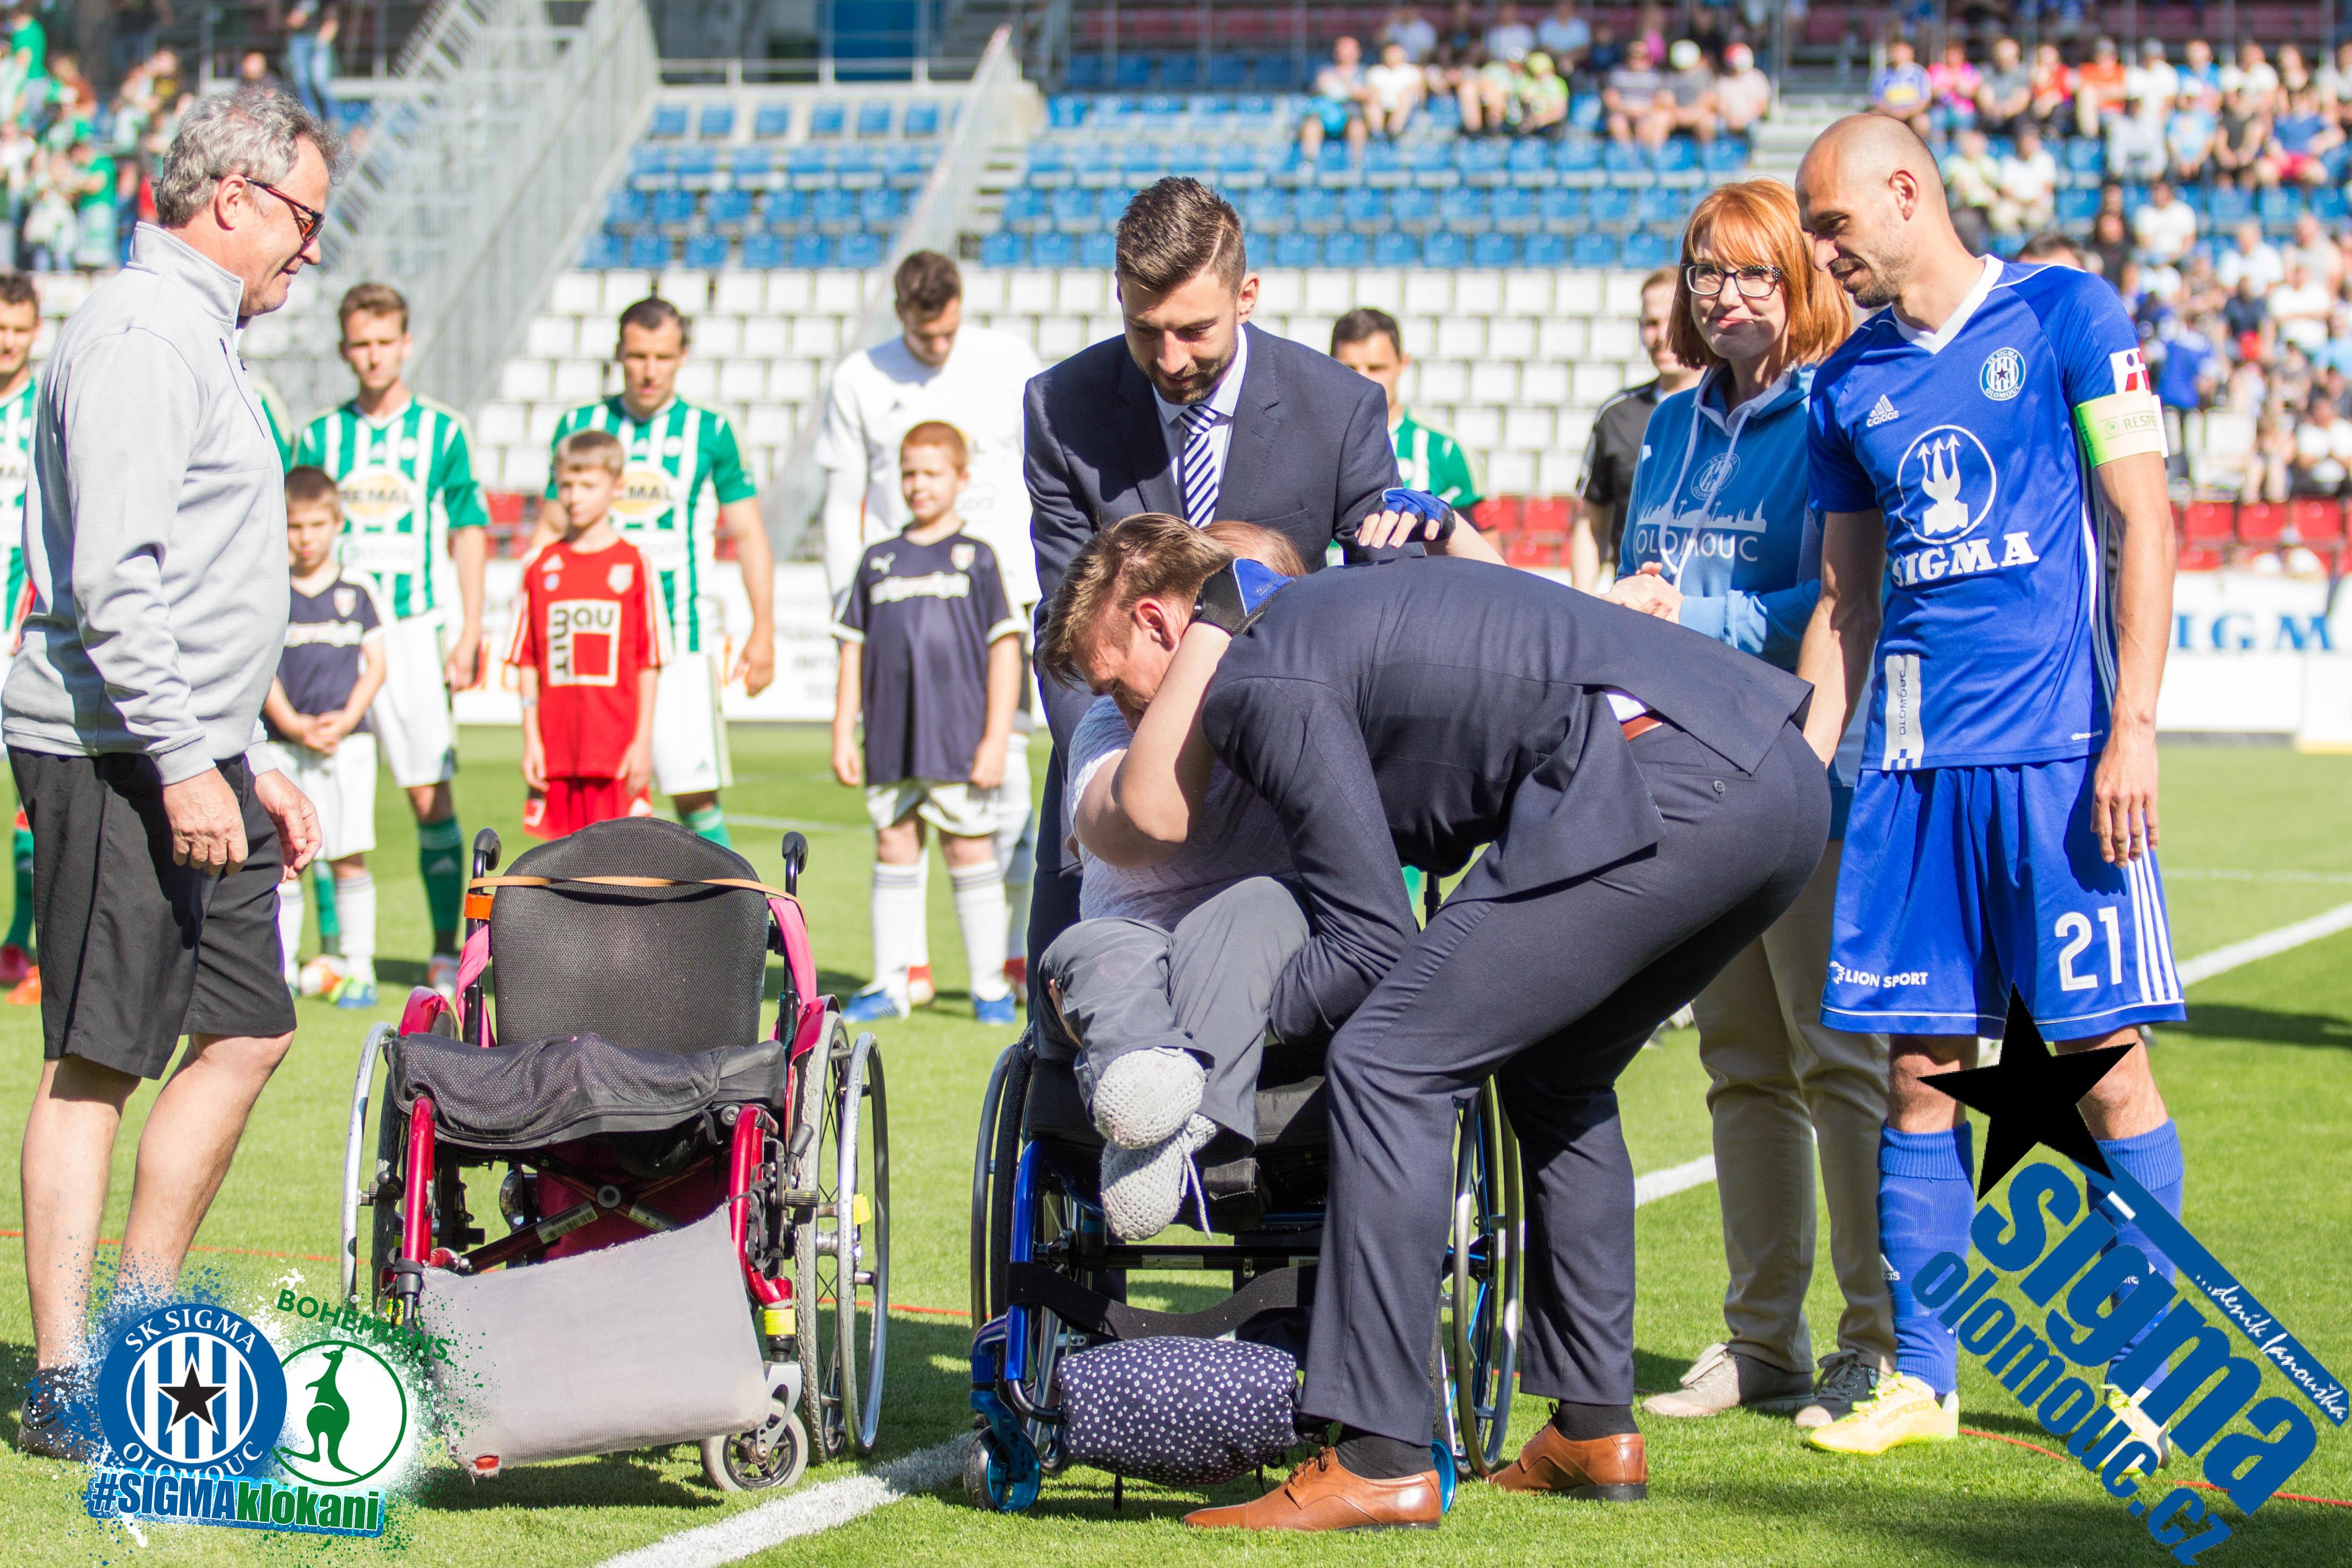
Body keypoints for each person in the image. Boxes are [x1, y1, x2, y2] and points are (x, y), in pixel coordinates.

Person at [1056, 507, 1827, 1531]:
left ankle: (1378, 1454)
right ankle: (1595, 1427)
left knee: (1392, 1063)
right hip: (1774, 784)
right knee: (1557, 1072)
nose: (1117, 708)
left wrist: (1226, 1030)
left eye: (1116, 684)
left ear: (1163, 625)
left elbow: (1369, 940)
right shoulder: (1319, 612)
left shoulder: (1252, 675)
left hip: (1660, 781)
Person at [1793, 114, 2189, 1461]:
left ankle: (2145, 1376)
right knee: (1918, 1073)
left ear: (1906, 193)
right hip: (1910, 777)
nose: (1821, 250)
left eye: (1833, 224)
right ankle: (1922, 1379)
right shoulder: (1843, 389)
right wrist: (1798, 775)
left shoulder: (2070, 312)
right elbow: (1847, 603)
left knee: (2101, 1067)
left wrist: (2131, 725)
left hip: (2059, 763)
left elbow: (2145, 517)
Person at [5, 86, 334, 1457]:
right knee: (98, 1056)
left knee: (251, 1025)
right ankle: (71, 1374)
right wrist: (191, 759)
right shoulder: (144, 334)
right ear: (236, 198)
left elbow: (202, 575)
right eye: (305, 221)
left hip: (192, 747)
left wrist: (237, 759)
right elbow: (116, 585)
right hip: (112, 746)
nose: (310, 252)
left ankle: (141, 1325)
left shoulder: (200, 330)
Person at [1602, 180, 1895, 1431]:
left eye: (1752, 275)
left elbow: (1834, 597)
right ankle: (1757, 1340)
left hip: (1806, 764)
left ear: (1798, 279)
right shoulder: (1665, 423)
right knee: (1738, 1066)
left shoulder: (1832, 407)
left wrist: (1691, 616)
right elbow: (1648, 564)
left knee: (1838, 1063)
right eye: (1704, 273)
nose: (1724, 296)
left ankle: (1873, 1343)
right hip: (1687, 769)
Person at [1021, 176, 1395, 1014]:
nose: (1170, 360)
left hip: (1287, 780)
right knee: (1066, 1013)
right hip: (1121, 767)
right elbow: (1065, 619)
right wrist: (1112, 781)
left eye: (1195, 330)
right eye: (1144, 331)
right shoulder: (1059, 408)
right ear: (1118, 297)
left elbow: (1379, 610)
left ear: (1247, 295)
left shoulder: (1338, 408)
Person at [1038, 519, 1306, 1241]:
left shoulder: (1293, 692)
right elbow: (1142, 819)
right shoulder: (1104, 727)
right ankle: (1142, 1092)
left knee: (1256, 903)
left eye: (1115, 680)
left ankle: (1191, 1131)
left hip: (1263, 965)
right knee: (1090, 945)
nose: (1115, 700)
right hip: (1132, 959)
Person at [817, 250, 1043, 1001]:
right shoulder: (859, 377)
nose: (936, 347)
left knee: (1003, 791)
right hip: (900, 616)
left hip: (996, 604)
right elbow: (843, 495)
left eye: (946, 333)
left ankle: (1006, 961)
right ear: (899, 313)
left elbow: (1045, 473)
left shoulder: (1008, 362)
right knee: (903, 811)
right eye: (922, 335)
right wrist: (849, 607)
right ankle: (906, 969)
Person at [292, 281, 488, 995]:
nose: (372, 356)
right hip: (331, 635)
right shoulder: (317, 436)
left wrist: (469, 626)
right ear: (345, 348)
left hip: (410, 632)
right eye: (360, 344)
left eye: (385, 342)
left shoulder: (444, 431)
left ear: (405, 343)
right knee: (318, 784)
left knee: (427, 792)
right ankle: (335, 950)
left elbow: (469, 530)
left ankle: (446, 949)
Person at [534, 295, 776, 850]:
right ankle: (599, 925)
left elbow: (749, 534)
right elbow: (548, 531)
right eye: (638, 355)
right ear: (619, 353)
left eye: (662, 356)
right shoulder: (581, 424)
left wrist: (763, 630)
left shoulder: (709, 431)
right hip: (595, 646)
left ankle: (726, 921)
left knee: (696, 796)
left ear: (682, 356)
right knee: (599, 793)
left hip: (681, 640)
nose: (649, 370)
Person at [831, 421, 1020, 1025]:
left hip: (958, 736)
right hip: (890, 735)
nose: (918, 484)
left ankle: (988, 985)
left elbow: (1005, 649)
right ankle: (890, 981)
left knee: (968, 848)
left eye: (931, 472)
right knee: (893, 842)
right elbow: (852, 650)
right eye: (909, 472)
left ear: (961, 479)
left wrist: (997, 736)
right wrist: (842, 730)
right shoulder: (878, 559)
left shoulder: (978, 558)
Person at [265, 467, 385, 1006]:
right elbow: (258, 665)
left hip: (347, 743)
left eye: (317, 524)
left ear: (337, 522)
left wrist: (343, 718)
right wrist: (290, 721)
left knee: (349, 854)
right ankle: (281, 970)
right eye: (294, 525)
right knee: (284, 858)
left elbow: (376, 664)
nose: (305, 536)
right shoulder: (268, 587)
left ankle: (359, 967)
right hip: (285, 745)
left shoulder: (358, 588)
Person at [509, 429, 664, 840]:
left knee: (623, 871)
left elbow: (649, 661)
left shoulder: (635, 565)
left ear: (617, 487)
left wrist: (642, 741)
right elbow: (527, 660)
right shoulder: (539, 566)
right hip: (557, 753)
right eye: (566, 485)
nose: (574, 497)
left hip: (616, 752)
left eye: (587, 486)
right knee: (558, 873)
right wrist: (532, 740)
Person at [1570, 265, 1699, 590]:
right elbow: (1592, 523)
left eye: (1674, 321)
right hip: (1633, 608)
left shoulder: (1734, 409)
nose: (1662, 337)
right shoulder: (1617, 415)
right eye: (1651, 324)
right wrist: (1581, 607)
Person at [1329, 307, 1480, 511]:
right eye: (1350, 369)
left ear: (1403, 364)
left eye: (1376, 368)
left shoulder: (1445, 450)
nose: (1363, 380)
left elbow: (1483, 539)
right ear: (1328, 366)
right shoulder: (1304, 444)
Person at [0, 270, 36, 997]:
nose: (6, 340)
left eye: (16, 328)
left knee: (39, 789)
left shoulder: (50, 406)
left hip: (29, 628)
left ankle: (24, 943)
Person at [1298, 36, 1369, 159]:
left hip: (1352, 114)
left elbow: (1366, 95)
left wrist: (1346, 83)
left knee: (1357, 126)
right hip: (1327, 114)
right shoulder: (1325, 71)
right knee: (1312, 124)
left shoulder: (1364, 72)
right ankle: (1309, 161)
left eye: (1349, 49)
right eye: (1342, 49)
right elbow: (1317, 91)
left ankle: (1357, 161)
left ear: (1358, 52)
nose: (1345, 53)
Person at [1869, 37, 1932, 133]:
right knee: (1872, 119)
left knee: (1922, 122)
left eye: (1903, 51)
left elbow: (1924, 100)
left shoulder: (1920, 73)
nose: (1899, 55)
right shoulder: (1881, 74)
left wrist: (1907, 112)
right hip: (1888, 113)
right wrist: (1892, 111)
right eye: (1897, 51)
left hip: (1913, 114)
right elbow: (1876, 99)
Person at [1364, 39, 1425, 138]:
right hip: (1382, 104)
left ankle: (1394, 132)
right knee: (1371, 100)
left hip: (1406, 106)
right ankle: (1378, 133)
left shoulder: (1412, 71)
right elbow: (1373, 90)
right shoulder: (1376, 71)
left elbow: (1417, 92)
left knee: (1406, 98)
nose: (1392, 56)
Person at [1715, 41, 1772, 136]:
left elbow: (1762, 106)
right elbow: (1720, 104)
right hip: (1728, 120)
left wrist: (1744, 120)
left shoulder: (1758, 77)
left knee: (1755, 129)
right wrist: (1730, 119)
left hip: (1751, 120)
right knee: (1711, 125)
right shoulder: (1723, 80)